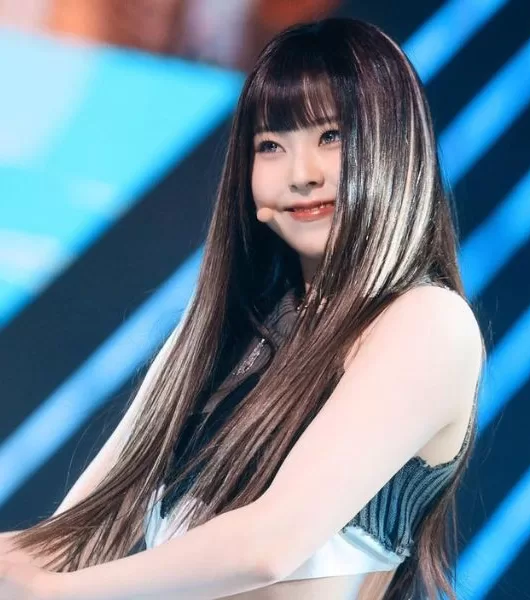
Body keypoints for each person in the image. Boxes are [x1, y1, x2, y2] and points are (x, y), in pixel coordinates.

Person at [1, 17, 486, 600]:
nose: (301, 175)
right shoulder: (223, 331)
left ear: (395, 151)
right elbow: (76, 532)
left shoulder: (428, 322)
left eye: (332, 136)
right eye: (271, 146)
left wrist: (53, 594)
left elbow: (270, 545)